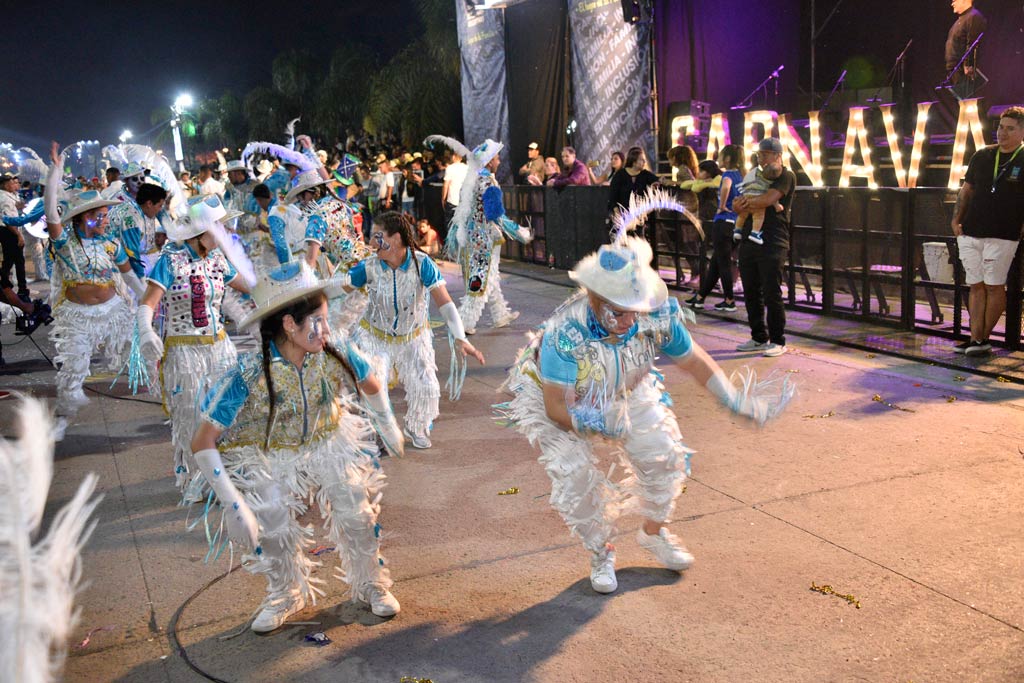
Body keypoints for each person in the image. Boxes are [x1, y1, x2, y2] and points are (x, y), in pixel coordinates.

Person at [496, 188, 792, 594]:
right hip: (565, 398)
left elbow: (694, 360)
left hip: (628, 386)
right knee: (576, 476)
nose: (626, 319)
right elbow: (556, 408)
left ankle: (654, 533)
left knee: (666, 457)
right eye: (616, 309)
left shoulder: (656, 316)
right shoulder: (566, 333)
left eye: (633, 307)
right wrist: (597, 421)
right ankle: (601, 551)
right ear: (594, 297)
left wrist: (734, 399)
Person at [191, 261, 404, 633]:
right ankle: (285, 591)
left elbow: (370, 383)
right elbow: (203, 439)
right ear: (289, 324)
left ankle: (372, 582)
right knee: (270, 515)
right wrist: (233, 502)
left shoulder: (333, 347)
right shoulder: (251, 371)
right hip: (271, 453)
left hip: (328, 441)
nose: (326, 328)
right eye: (317, 320)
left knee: (357, 510)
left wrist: (388, 424)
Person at [136, 194, 252, 498]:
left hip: (220, 348)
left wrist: (285, 288)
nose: (222, 233)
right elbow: (148, 303)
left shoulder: (217, 259)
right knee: (192, 416)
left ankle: (226, 472)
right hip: (185, 354)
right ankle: (199, 479)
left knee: (226, 411)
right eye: (217, 228)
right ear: (200, 232)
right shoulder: (170, 260)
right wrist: (146, 332)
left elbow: (249, 286)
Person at [346, 211, 484, 449]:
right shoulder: (367, 267)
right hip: (374, 336)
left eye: (377, 236)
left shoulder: (422, 264)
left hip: (414, 336)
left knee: (427, 387)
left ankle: (417, 426)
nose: (371, 242)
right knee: (374, 386)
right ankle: (380, 433)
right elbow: (340, 290)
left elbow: (445, 303)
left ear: (396, 238)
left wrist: (461, 338)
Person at [43, 143, 148, 441]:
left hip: (114, 313)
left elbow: (129, 277)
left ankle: (172, 401)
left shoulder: (110, 244)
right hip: (77, 318)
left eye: (105, 215)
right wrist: (56, 172)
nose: (106, 220)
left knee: (141, 354)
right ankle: (62, 418)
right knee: (74, 368)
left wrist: (149, 301)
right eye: (100, 216)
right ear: (83, 218)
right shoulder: (65, 244)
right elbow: (52, 212)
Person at [951, 106, 1024, 356]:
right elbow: (967, 189)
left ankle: (981, 338)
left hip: (1003, 234)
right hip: (972, 230)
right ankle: (976, 338)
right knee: (976, 285)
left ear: (1022, 132)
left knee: (994, 285)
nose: (1002, 133)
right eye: (1000, 127)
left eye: (1009, 128)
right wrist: (956, 220)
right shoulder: (982, 155)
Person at [445, 139, 532, 336]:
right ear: (489, 161)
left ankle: (500, 314)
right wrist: (518, 231)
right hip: (482, 240)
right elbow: (495, 215)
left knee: (490, 275)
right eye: (496, 157)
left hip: (472, 236)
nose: (499, 161)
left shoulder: (471, 179)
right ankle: (464, 323)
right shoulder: (487, 182)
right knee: (479, 280)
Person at [733, 138, 796, 357]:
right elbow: (737, 201)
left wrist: (746, 203)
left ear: (778, 156)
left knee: (771, 292)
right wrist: (737, 204)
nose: (761, 157)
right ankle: (758, 336)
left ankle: (778, 340)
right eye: (760, 154)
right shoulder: (754, 174)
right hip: (750, 239)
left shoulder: (786, 175)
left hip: (773, 240)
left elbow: (769, 199)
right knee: (751, 290)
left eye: (766, 154)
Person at [688, 145, 744, 311]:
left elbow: (725, 186)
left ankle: (729, 299)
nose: (718, 159)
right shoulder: (740, 176)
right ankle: (700, 298)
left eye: (720, 156)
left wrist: (721, 206)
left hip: (723, 222)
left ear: (727, 159)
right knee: (716, 263)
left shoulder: (727, 175)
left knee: (723, 262)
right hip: (735, 223)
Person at [108, 182, 169, 279]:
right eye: (159, 205)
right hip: (115, 267)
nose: (159, 210)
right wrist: (141, 279)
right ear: (149, 203)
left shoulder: (135, 210)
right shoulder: (131, 218)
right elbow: (131, 254)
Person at [731, 155, 783, 246]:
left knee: (742, 216)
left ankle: (737, 230)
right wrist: (777, 206)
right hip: (757, 201)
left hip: (746, 196)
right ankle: (755, 233)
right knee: (759, 217)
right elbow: (771, 200)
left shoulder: (756, 175)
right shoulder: (769, 183)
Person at [945, 0, 986, 91]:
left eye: (954, 1)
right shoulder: (960, 20)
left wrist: (968, 65)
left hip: (964, 71)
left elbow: (972, 43)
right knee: (960, 102)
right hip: (955, 70)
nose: (952, 4)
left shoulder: (974, 17)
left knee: (967, 102)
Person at [607, 147, 659, 216]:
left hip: (641, 216)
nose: (644, 162)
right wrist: (618, 214)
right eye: (642, 160)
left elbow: (658, 181)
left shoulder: (645, 174)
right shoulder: (620, 175)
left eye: (644, 160)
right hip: (622, 216)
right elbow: (613, 197)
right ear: (634, 162)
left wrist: (656, 185)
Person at [442, 149, 468, 230]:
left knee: (451, 224)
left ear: (454, 157)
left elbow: (446, 185)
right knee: (464, 225)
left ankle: (451, 242)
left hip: (452, 200)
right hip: (465, 200)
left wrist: (443, 198)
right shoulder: (467, 168)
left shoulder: (450, 168)